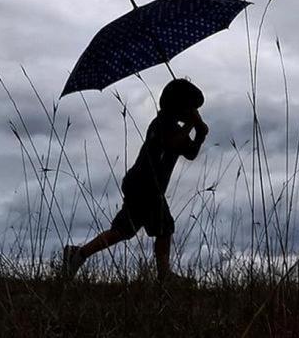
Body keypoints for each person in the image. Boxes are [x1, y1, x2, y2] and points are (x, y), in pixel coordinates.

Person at [61, 78, 208, 282]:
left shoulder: (172, 126)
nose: (193, 112)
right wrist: (193, 125)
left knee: (124, 230)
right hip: (145, 186)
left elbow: (190, 153)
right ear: (180, 106)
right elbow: (172, 142)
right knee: (163, 227)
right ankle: (164, 274)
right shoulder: (163, 124)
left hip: (142, 186)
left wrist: (200, 133)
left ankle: (79, 254)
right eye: (191, 107)